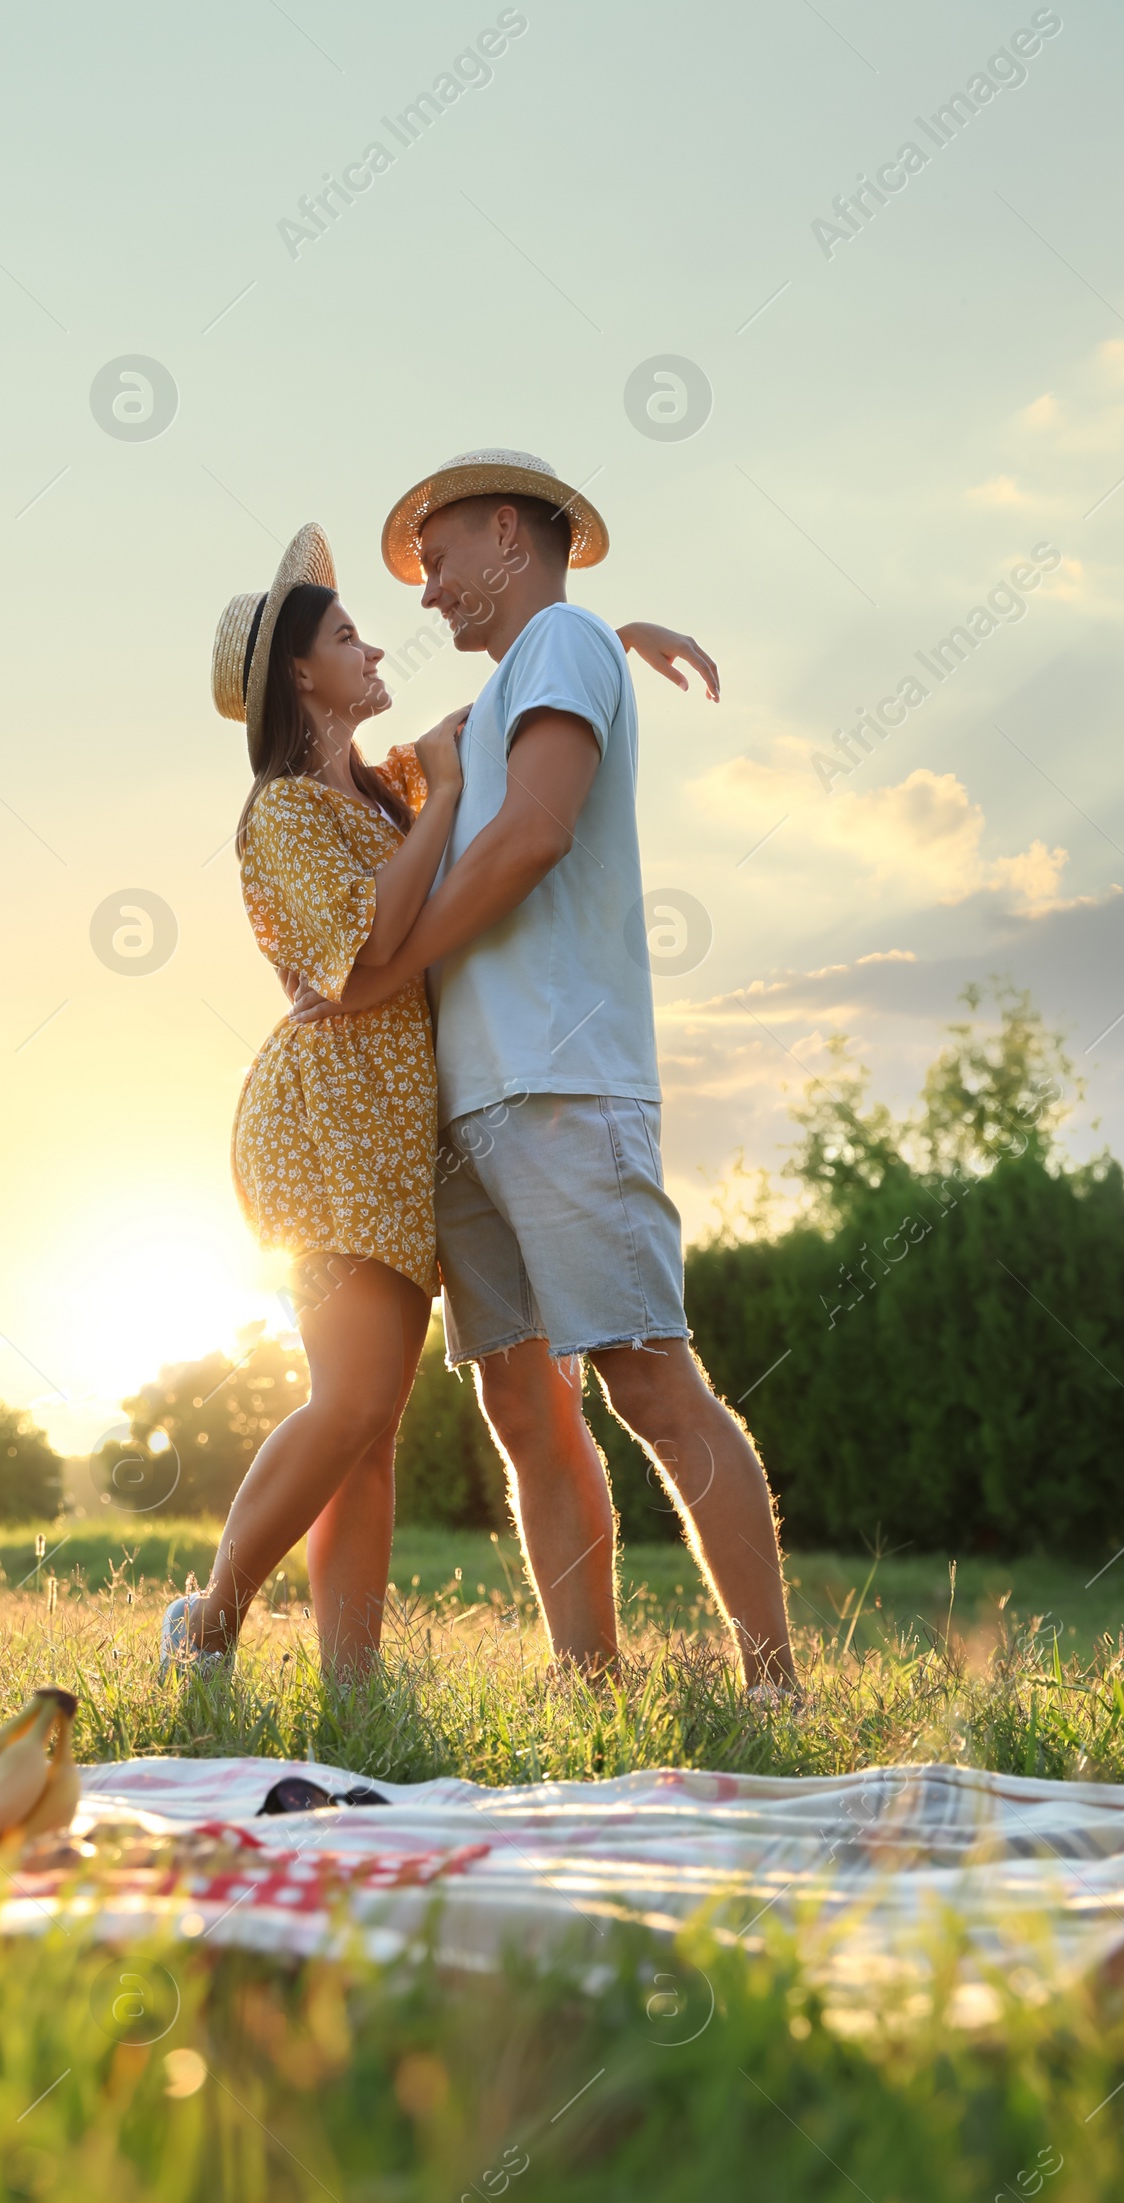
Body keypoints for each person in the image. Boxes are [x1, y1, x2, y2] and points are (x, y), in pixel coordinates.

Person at [165, 516, 717, 1677]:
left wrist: (611, 637)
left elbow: (524, 693)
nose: (379, 652)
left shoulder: (384, 783)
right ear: (299, 678)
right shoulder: (284, 811)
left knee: (370, 1428)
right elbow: (367, 949)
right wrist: (449, 787)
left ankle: (350, 1686)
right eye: (351, 638)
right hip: (324, 1123)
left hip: (403, 1122)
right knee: (356, 1397)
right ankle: (208, 1617)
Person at [288, 449, 797, 1692]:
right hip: (475, 1104)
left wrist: (389, 959)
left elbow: (533, 831)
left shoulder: (559, 644)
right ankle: (593, 1686)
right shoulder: (550, 657)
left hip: (560, 1083)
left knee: (651, 1383)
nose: (424, 595)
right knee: (527, 1415)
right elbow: (513, 737)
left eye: (440, 559)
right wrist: (612, 632)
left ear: (507, 533)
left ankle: (775, 1687)